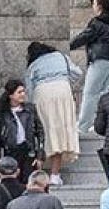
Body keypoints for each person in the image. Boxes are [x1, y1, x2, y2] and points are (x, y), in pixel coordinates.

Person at [25, 42, 82, 182]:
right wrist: (64, 80)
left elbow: (29, 87)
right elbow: (78, 73)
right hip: (63, 91)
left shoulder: (34, 64)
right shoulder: (61, 57)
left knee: (44, 131)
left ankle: (38, 174)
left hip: (42, 93)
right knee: (60, 132)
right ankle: (55, 175)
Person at [71, 0, 109, 133]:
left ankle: (82, 126)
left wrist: (69, 45)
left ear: (99, 6)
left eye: (94, 5)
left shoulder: (97, 22)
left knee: (90, 93)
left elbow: (85, 36)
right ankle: (108, 124)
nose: (92, 8)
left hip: (101, 59)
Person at [0, 79, 46, 178]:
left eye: (23, 91)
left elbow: (40, 132)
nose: (23, 94)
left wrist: (40, 155)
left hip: (28, 151)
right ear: (11, 95)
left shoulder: (30, 109)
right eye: (19, 92)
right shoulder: (2, 113)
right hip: (11, 151)